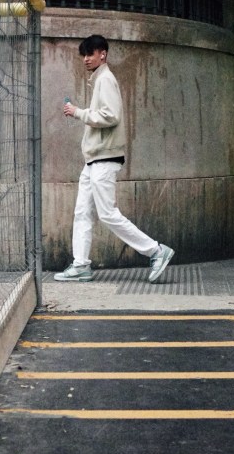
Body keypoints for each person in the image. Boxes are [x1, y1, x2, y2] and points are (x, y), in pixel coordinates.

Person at [55, 34, 174, 283]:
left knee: (107, 213)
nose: (86, 59)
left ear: (103, 54)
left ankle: (156, 250)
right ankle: (81, 264)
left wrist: (78, 112)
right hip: (95, 159)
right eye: (84, 55)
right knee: (82, 212)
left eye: (91, 53)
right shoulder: (100, 79)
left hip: (104, 158)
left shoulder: (105, 80)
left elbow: (110, 116)